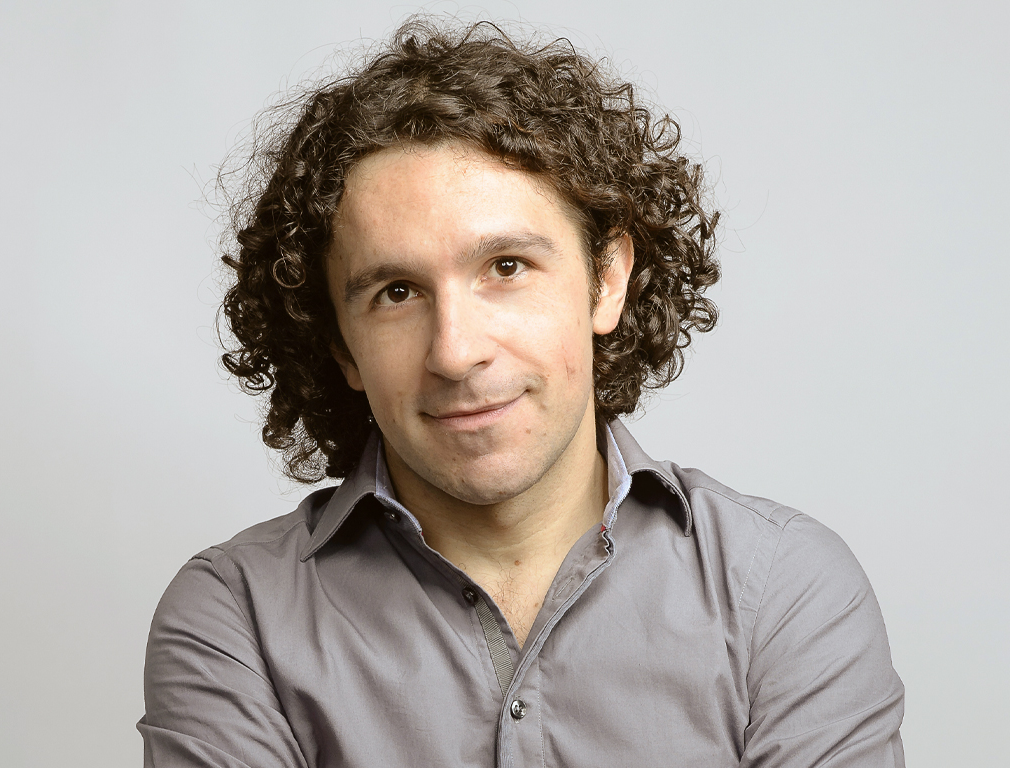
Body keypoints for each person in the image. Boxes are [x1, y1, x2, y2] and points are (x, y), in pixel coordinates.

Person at [139, 17, 905, 767]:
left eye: (506, 267)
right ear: (341, 344)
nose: (455, 351)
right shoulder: (237, 618)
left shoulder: (782, 589)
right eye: (397, 291)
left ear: (607, 280)